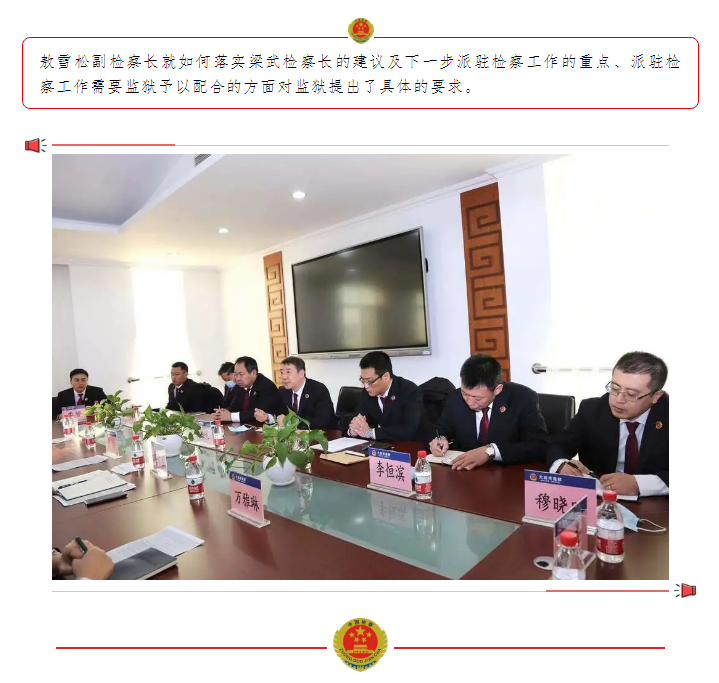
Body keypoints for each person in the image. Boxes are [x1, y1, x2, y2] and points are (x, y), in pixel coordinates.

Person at [547, 351, 669, 496]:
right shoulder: (592, 410)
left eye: (631, 394)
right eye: (615, 388)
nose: (618, 399)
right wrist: (561, 464)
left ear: (656, 396)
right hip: (599, 498)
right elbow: (557, 445)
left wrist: (640, 484)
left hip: (657, 504)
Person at [429, 354, 548, 470]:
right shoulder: (455, 398)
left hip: (508, 472)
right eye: (465, 394)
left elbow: (539, 445)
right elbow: (440, 429)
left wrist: (491, 451)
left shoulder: (523, 398)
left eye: (477, 398)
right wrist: (439, 440)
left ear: (497, 389)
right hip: (467, 472)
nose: (470, 402)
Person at [342, 351, 428, 442]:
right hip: (380, 445)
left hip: (407, 446)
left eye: (369, 381)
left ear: (386, 377)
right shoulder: (367, 392)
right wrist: (353, 430)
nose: (366, 386)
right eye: (363, 380)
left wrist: (370, 433)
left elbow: (408, 430)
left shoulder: (409, 391)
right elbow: (356, 418)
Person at [255, 356, 337, 430]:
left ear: (301, 373)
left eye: (288, 372)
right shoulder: (283, 391)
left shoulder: (318, 389)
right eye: (282, 372)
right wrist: (267, 417)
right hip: (295, 437)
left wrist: (290, 423)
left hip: (323, 435)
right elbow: (279, 414)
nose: (283, 377)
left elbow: (323, 420)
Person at [213, 356, 282, 423]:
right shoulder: (240, 386)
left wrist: (231, 416)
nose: (237, 378)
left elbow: (256, 412)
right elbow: (235, 405)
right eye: (236, 375)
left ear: (253, 373)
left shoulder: (265, 386)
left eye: (241, 374)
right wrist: (223, 412)